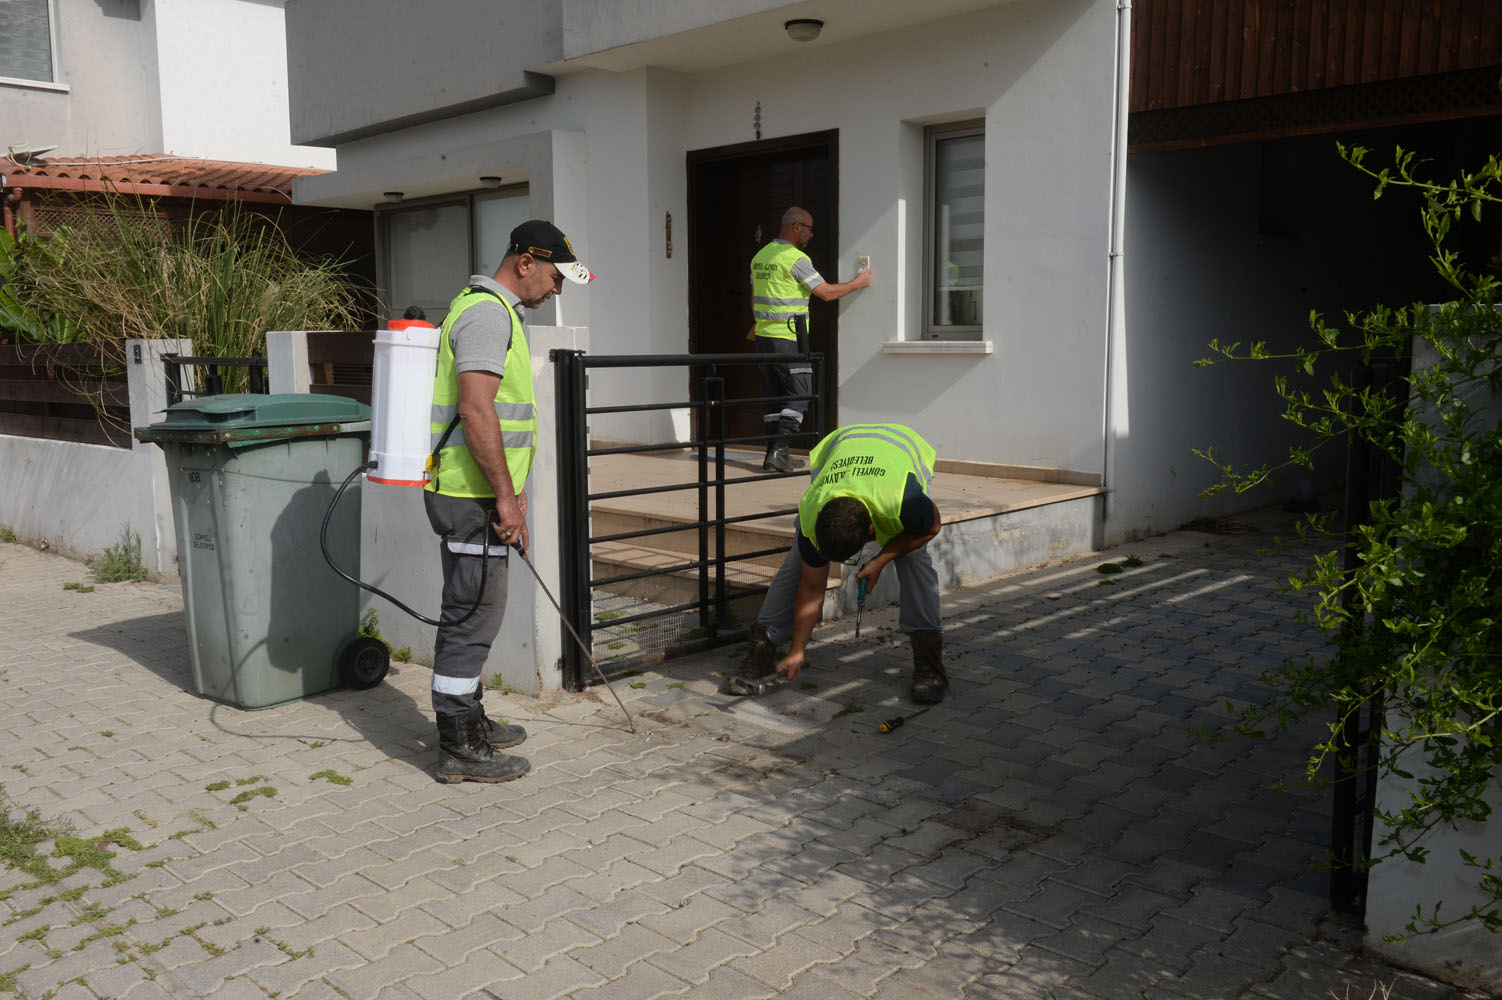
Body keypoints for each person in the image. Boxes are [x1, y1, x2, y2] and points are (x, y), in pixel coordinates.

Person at [424, 220, 593, 783]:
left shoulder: (495, 312)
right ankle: (458, 745)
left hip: (476, 490)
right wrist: (504, 497)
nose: (557, 288)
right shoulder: (487, 315)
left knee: (474, 611)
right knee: (472, 616)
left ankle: (467, 715)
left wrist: (512, 487)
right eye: (555, 276)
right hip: (469, 495)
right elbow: (476, 410)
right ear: (525, 263)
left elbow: (500, 417)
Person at [729, 423, 947, 703]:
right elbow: (811, 589)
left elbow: (932, 527)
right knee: (798, 560)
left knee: (913, 558)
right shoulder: (813, 511)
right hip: (841, 446)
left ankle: (930, 665)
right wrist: (797, 651)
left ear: (871, 531)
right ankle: (762, 648)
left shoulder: (904, 501)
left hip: (901, 449)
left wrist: (881, 559)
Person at [747, 206, 871, 473]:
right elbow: (826, 293)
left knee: (774, 397)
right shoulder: (795, 258)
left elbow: (754, 298)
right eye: (809, 229)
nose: (811, 235)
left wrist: (759, 324)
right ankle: (779, 451)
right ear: (796, 227)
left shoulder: (760, 256)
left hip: (764, 338)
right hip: (788, 338)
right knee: (801, 392)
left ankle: (773, 454)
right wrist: (858, 283)